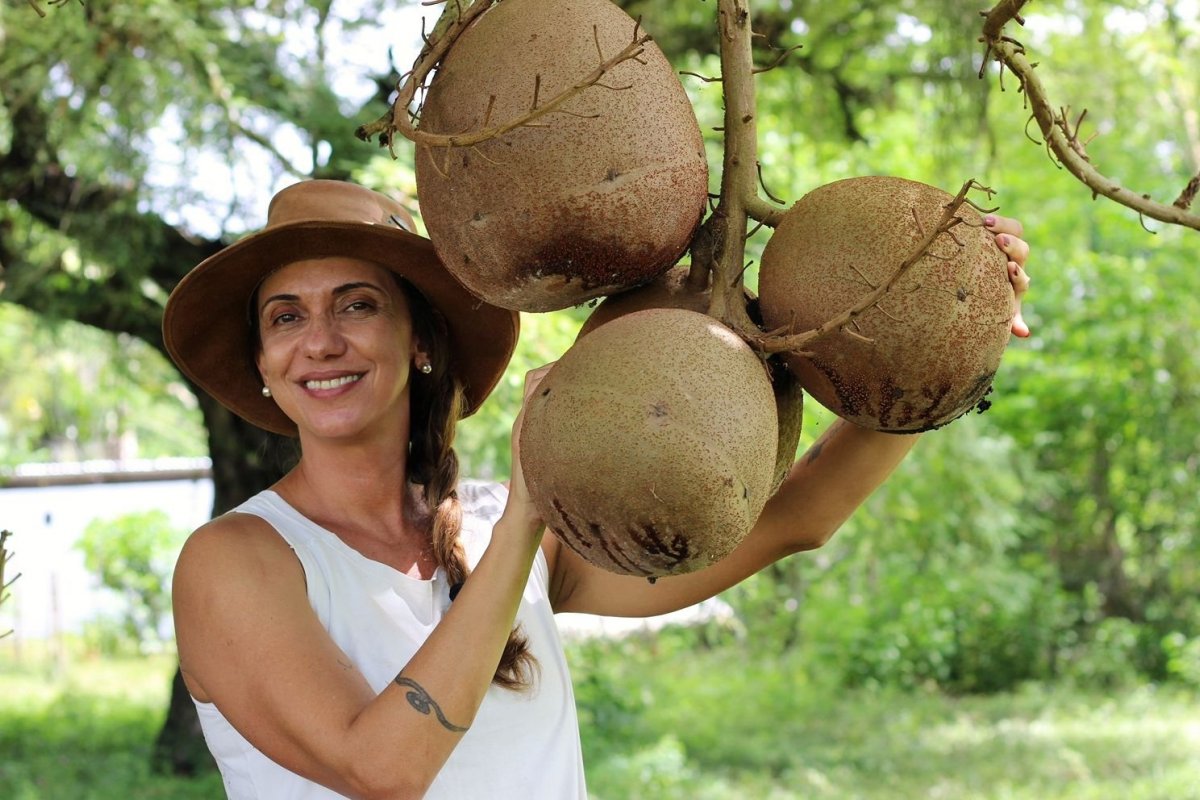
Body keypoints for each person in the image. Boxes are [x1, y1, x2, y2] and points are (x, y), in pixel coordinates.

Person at [163, 178, 1031, 799]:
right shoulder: (236, 561)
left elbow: (800, 514)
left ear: (420, 341)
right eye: (286, 317)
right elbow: (382, 770)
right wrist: (527, 511)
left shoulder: (500, 531)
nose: (320, 340)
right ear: (264, 364)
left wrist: (949, 331)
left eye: (357, 305)